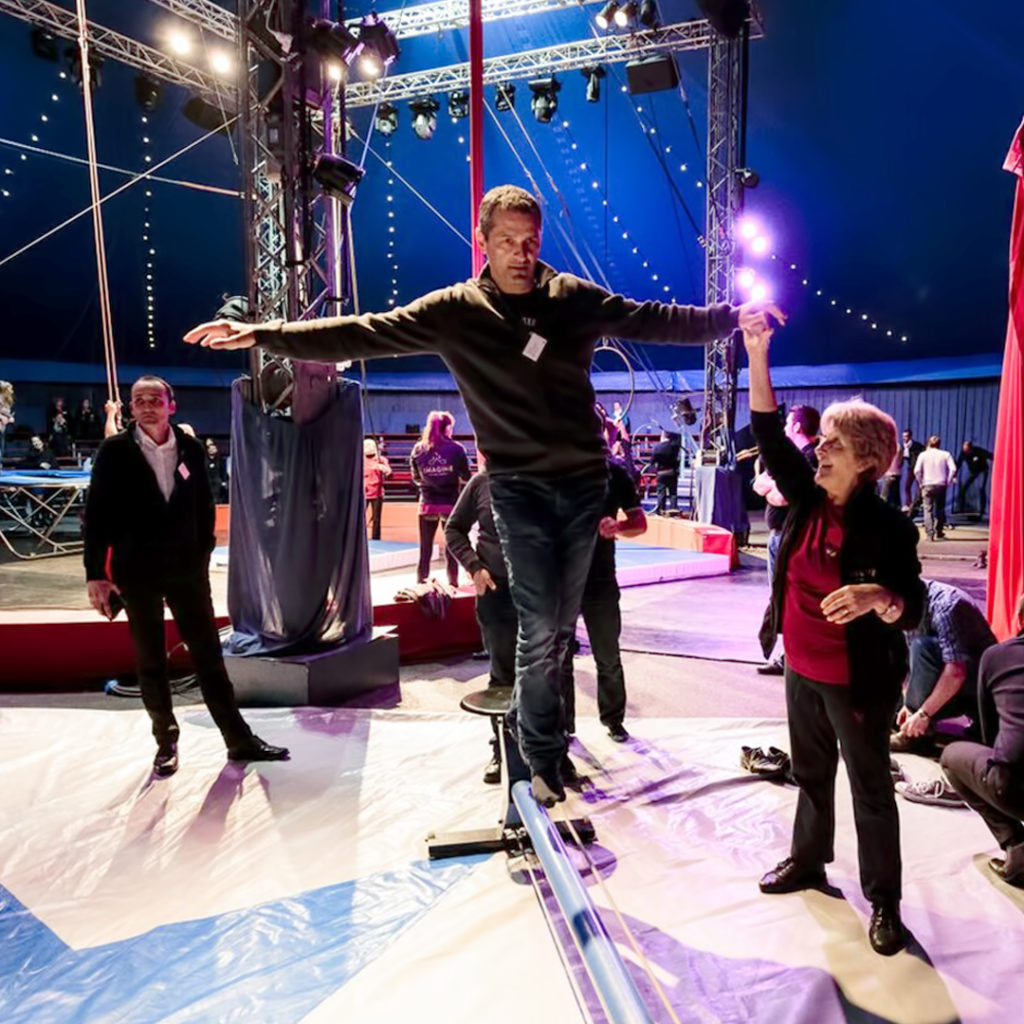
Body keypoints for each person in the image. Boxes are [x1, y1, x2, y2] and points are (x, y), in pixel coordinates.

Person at [183, 183, 776, 806]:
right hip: (515, 489)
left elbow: (651, 317)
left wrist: (731, 316)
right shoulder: (455, 311)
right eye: (507, 243)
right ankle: (539, 761)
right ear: (482, 243)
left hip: (582, 485)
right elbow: (362, 331)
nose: (521, 255)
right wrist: (264, 334)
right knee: (539, 624)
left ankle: (544, 749)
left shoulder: (570, 297)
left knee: (555, 630)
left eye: (530, 242)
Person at [745, 319, 923, 957]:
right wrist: (756, 352)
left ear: (867, 462)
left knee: (869, 786)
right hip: (803, 667)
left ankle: (884, 902)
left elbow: (916, 607)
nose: (818, 454)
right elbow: (768, 432)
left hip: (859, 680)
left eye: (832, 447)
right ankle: (809, 860)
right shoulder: (804, 497)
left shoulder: (889, 529)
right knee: (811, 772)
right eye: (819, 444)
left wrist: (881, 597)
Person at [83, 375, 289, 778]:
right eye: (138, 399)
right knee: (150, 661)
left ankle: (238, 739)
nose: (146, 405)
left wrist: (202, 553)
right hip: (136, 572)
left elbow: (204, 505)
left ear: (170, 405)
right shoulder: (113, 451)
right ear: (130, 407)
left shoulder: (191, 448)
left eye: (154, 399)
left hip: (186, 572)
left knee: (210, 659)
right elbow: (98, 516)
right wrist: (96, 574)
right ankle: (165, 741)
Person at [560, 452, 646, 743]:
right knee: (560, 659)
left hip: (601, 579)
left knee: (608, 656)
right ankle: (563, 725)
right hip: (562, 580)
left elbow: (639, 522)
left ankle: (613, 719)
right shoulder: (554, 470)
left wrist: (618, 526)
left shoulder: (615, 473)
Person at [444, 452, 518, 784]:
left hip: (537, 596)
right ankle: (501, 752)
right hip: (496, 595)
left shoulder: (541, 480)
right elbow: (454, 530)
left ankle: (551, 754)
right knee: (502, 676)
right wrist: (475, 567)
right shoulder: (480, 484)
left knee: (548, 674)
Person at [940, 594, 1024, 886]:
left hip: (1014, 786)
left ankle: (1016, 846)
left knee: (952, 756)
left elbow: (988, 730)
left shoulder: (999, 656)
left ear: (1019, 620)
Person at [752, 404, 820, 676]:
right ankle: (790, 654)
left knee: (788, 597)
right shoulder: (787, 459)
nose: (782, 429)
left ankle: (791, 656)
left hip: (791, 537)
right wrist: (771, 487)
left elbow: (782, 496)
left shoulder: (809, 458)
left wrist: (771, 489)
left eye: (786, 424)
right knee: (780, 597)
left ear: (796, 427)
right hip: (779, 537)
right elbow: (758, 484)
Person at [890, 579, 996, 752]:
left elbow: (956, 672)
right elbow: (908, 662)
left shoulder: (947, 606)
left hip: (977, 687)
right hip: (946, 679)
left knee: (922, 647)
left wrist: (922, 714)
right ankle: (913, 722)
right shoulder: (907, 605)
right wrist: (907, 704)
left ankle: (916, 735)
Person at [409, 411, 470, 585]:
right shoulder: (457, 449)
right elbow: (466, 476)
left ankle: (421, 585)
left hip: (427, 504)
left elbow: (416, 477)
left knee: (425, 550)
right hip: (450, 504)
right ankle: (453, 585)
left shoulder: (418, 449)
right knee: (451, 549)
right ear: (448, 428)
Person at [914, 435, 957, 541]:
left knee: (927, 509)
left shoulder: (923, 455)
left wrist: (920, 482)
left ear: (929, 443)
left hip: (927, 484)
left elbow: (917, 471)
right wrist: (948, 480)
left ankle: (930, 534)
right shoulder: (945, 454)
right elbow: (953, 469)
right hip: (941, 484)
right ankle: (939, 531)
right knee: (940, 509)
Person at [363, 437, 392, 541]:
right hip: (363, 492)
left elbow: (390, 474)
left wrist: (385, 470)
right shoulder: (360, 460)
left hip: (377, 492)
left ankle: (376, 538)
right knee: (359, 518)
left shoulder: (381, 459)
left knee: (376, 518)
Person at [955, 440, 992, 517]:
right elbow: (958, 464)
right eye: (964, 449)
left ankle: (982, 511)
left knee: (981, 489)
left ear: (970, 448)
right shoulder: (963, 453)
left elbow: (990, 455)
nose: (966, 451)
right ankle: (961, 508)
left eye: (967, 449)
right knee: (964, 488)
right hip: (973, 472)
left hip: (982, 470)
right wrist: (954, 474)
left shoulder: (978, 451)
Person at [648, 429, 681, 515]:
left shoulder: (657, 448)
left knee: (661, 493)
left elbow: (652, 461)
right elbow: (678, 437)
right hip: (672, 472)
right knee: (673, 493)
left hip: (661, 473)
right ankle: (673, 509)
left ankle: (660, 510)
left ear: (662, 436)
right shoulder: (674, 446)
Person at [899, 429, 924, 514]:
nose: (904, 438)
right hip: (910, 468)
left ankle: (919, 503)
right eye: (903, 436)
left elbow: (923, 452)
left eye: (906, 436)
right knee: (907, 486)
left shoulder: (916, 445)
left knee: (919, 486)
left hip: (917, 468)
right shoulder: (903, 446)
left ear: (910, 436)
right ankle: (909, 504)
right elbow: (903, 457)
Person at [205, 437, 230, 504]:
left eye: (213, 447)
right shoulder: (204, 460)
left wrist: (224, 482)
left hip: (217, 483)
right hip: (208, 483)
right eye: (209, 447)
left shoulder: (220, 459)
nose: (211, 449)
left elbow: (223, 471)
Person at [0, 380, 15, 466]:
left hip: (2, 428)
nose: (12, 391)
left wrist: (9, 418)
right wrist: (2, 417)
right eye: (10, 389)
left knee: (2, 447)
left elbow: (7, 413)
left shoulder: (7, 401)